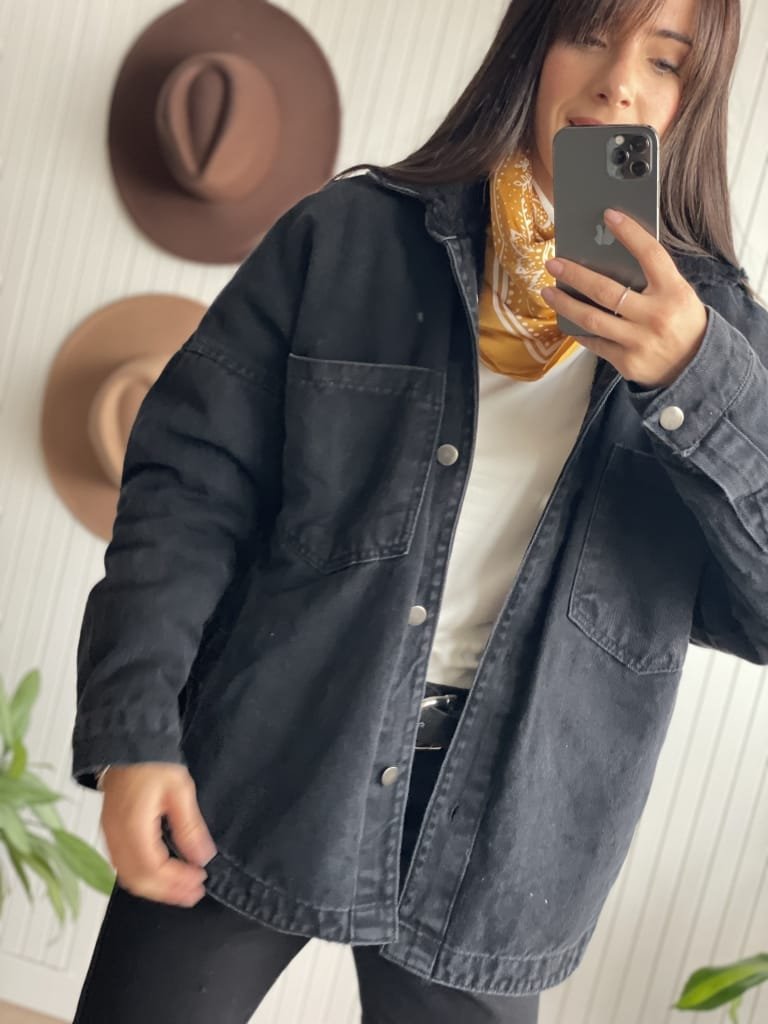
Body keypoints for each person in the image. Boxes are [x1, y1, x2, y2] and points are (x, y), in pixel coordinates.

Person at [72, 0, 768, 1021]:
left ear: (690, 101)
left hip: (507, 835)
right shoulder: (350, 237)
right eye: (589, 34)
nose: (619, 81)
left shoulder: (725, 341)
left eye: (664, 61)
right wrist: (136, 730)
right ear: (532, 46)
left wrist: (690, 380)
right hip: (272, 750)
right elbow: (189, 490)